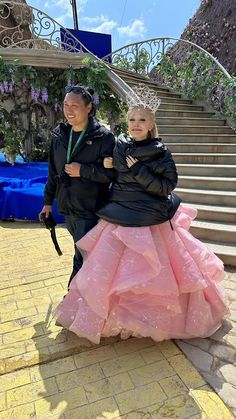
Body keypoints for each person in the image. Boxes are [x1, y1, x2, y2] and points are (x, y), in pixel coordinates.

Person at [54, 86, 228, 344]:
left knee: (156, 275)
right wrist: (105, 167)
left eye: (142, 120)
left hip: (151, 218)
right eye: (132, 119)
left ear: (151, 124)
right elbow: (110, 176)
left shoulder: (162, 152)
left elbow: (166, 187)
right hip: (119, 215)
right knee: (111, 275)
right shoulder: (119, 146)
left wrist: (138, 172)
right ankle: (118, 319)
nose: (136, 124)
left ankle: (156, 322)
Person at [39, 85, 116, 287]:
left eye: (75, 105)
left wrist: (83, 170)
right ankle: (85, 299)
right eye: (65, 105)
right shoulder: (59, 136)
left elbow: (111, 174)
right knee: (82, 252)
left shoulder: (103, 137)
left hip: (91, 208)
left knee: (83, 256)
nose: (68, 110)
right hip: (68, 206)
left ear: (89, 107)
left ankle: (74, 298)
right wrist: (48, 203)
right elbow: (52, 172)